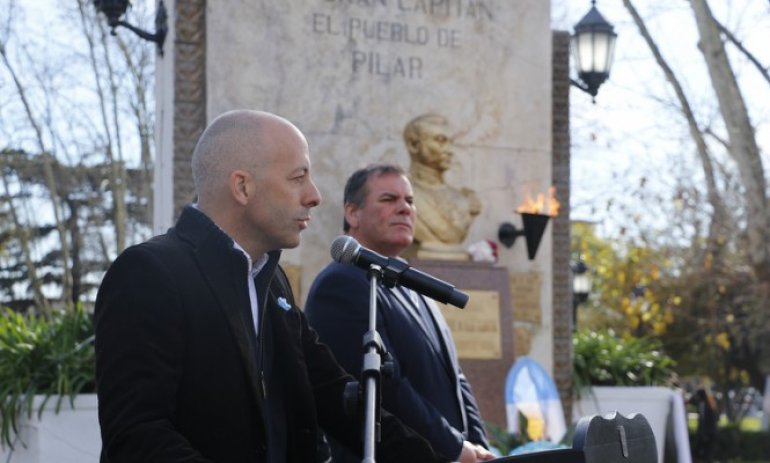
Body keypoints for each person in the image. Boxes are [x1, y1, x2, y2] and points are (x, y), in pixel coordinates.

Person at [94, 110, 448, 462]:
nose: (314, 196)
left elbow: (331, 393)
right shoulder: (149, 273)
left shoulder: (272, 283)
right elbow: (137, 434)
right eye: (298, 177)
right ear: (242, 187)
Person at [305, 164, 495, 463]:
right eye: (389, 199)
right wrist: (454, 449)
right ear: (353, 213)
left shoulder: (414, 287)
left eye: (410, 201)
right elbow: (386, 389)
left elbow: (455, 378)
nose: (405, 209)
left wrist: (478, 444)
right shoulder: (342, 284)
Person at [404, 114, 481, 258]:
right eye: (440, 141)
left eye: (451, 142)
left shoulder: (463, 199)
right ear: (414, 145)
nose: (450, 151)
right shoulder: (403, 195)